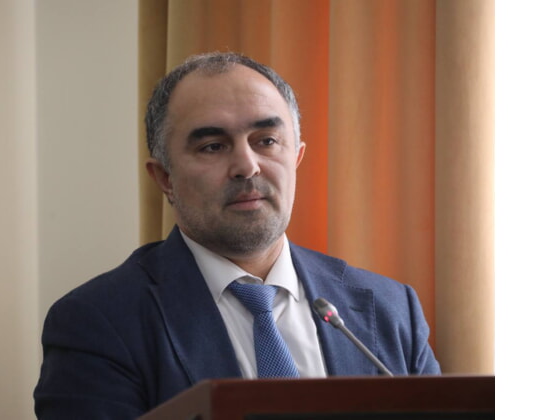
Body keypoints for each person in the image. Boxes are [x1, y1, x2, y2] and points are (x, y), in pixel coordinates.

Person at [33, 52, 440, 419]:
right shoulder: (99, 323)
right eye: (213, 146)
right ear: (165, 178)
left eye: (267, 141)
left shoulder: (389, 308)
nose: (247, 166)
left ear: (297, 158)